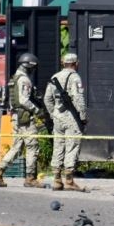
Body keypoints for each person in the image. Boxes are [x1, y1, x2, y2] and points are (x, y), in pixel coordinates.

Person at [0, 52, 45, 188]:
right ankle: (30, 178)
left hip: (15, 116)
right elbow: (24, 100)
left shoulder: (14, 78)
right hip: (25, 118)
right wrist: (38, 111)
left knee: (17, 147)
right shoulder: (24, 80)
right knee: (32, 146)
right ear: (29, 66)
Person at [44, 52, 88, 192]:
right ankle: (69, 180)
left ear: (63, 63)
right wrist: (83, 117)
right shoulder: (75, 77)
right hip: (72, 118)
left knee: (58, 145)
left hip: (58, 118)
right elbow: (78, 99)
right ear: (76, 64)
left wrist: (53, 113)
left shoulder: (54, 77)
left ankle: (57, 179)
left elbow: (47, 99)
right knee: (72, 146)